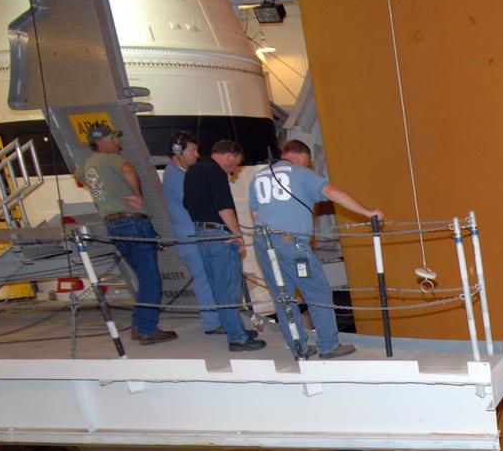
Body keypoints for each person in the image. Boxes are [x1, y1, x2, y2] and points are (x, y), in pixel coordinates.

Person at [248, 139, 383, 359]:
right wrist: (367, 213)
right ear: (302, 156)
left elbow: (256, 215)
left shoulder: (258, 177)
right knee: (318, 292)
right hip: (291, 243)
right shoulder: (300, 173)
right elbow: (332, 192)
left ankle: (298, 347)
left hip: (263, 242)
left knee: (283, 296)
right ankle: (328, 346)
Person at [76, 123, 176, 344]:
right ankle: (148, 330)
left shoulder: (88, 165)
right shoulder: (113, 159)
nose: (116, 142)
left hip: (113, 225)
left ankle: (139, 326)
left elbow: (79, 178)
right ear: (99, 142)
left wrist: (103, 193)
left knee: (143, 277)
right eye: (112, 138)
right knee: (151, 279)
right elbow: (128, 169)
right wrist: (136, 194)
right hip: (133, 222)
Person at [183, 139, 265, 352]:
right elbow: (224, 207)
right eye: (235, 163)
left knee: (218, 287)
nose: (234, 169)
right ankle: (237, 338)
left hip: (201, 233)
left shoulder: (193, 171)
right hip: (219, 235)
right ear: (229, 154)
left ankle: (234, 329)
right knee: (229, 287)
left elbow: (187, 203)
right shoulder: (215, 171)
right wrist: (237, 235)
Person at [161, 130, 222, 334]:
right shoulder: (177, 177)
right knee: (204, 279)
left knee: (206, 279)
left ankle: (215, 320)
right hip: (190, 236)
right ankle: (212, 323)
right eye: (193, 150)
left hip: (189, 235)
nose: (197, 155)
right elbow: (193, 204)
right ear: (178, 151)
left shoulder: (177, 174)